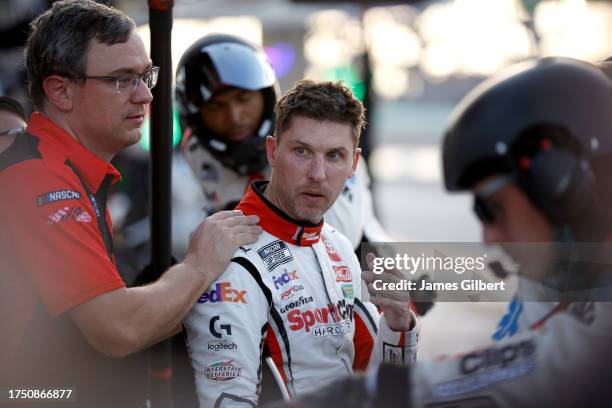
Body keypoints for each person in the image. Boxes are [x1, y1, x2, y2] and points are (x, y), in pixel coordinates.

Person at [263, 58, 612, 407]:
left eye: (493, 209)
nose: (489, 237)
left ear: (564, 189)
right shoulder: (562, 275)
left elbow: (527, 371)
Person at [0, 1, 260, 406]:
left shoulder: (67, 170)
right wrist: (199, 264)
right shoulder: (37, 178)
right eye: (121, 80)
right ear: (61, 91)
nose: (145, 96)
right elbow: (118, 331)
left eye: (145, 76)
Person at [183, 80, 419, 407]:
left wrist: (398, 327)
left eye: (334, 156)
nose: (317, 174)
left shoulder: (338, 247)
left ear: (354, 164)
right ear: (272, 152)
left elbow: (382, 392)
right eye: (301, 151)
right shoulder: (226, 257)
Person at [175, 34, 393, 254]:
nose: (234, 116)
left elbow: (338, 237)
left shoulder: (330, 153)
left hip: (363, 260)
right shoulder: (197, 150)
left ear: (265, 95)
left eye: (243, 99)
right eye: (216, 106)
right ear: (197, 115)